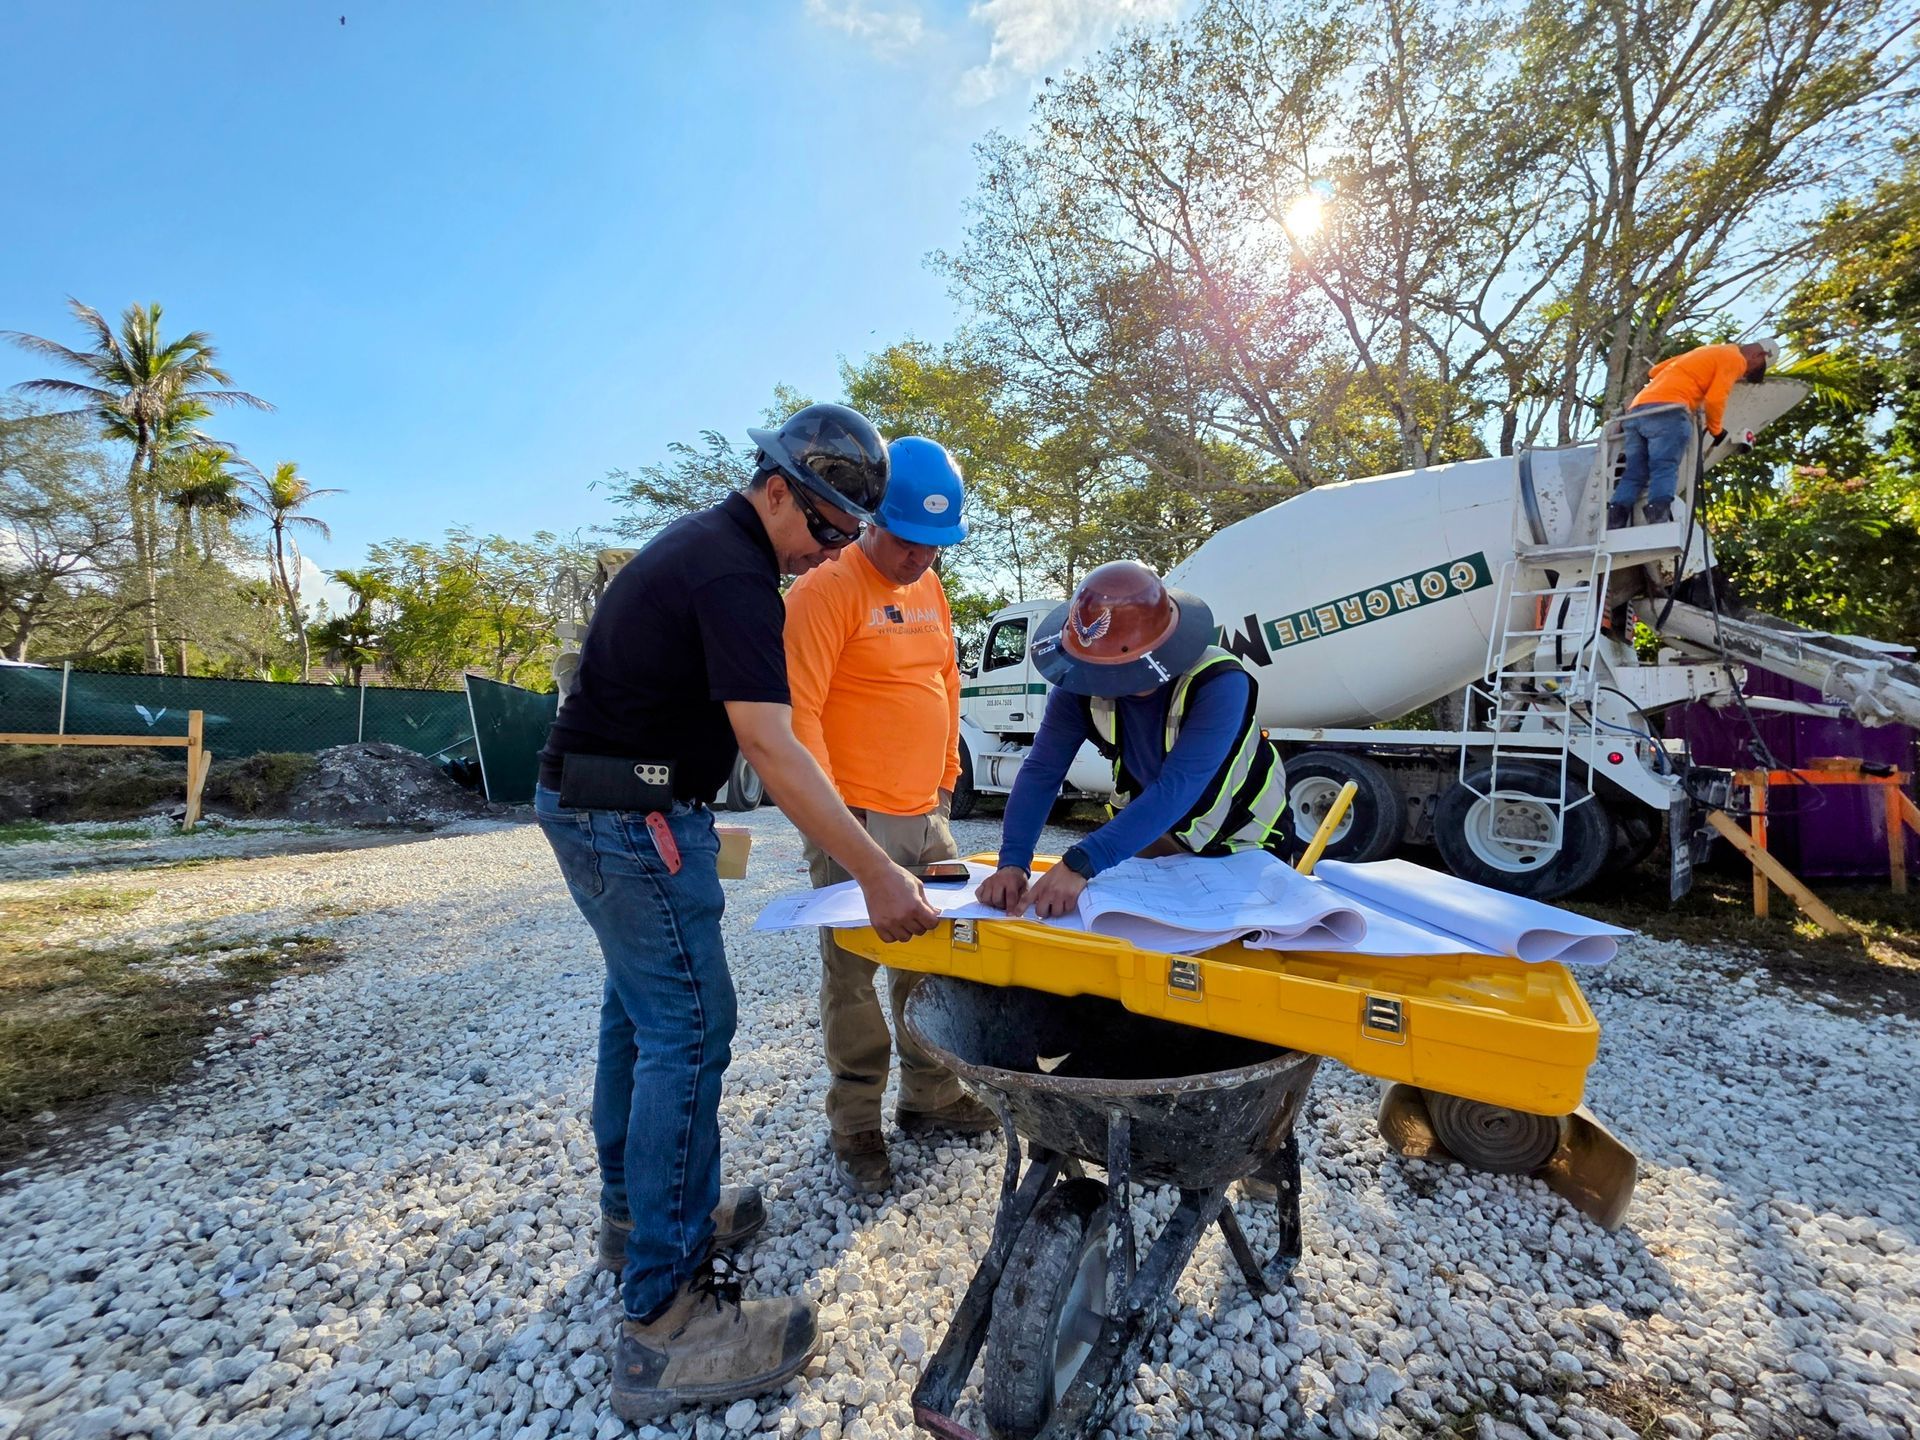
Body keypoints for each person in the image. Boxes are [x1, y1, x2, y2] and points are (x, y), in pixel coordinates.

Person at [535, 403, 940, 1421]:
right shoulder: (732, 576)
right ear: (777, 489)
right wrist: (875, 874)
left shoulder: (712, 551)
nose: (836, 551)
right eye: (833, 528)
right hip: (627, 814)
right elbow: (773, 745)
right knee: (691, 1026)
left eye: (852, 533)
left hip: (611, 799)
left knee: (637, 1015)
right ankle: (668, 1318)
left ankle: (640, 1223)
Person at [783, 436, 998, 1195]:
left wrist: (943, 781)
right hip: (853, 819)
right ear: (871, 519)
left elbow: (945, 681)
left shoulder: (929, 587)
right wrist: (838, 828)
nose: (919, 560)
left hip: (924, 813)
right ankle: (856, 1123)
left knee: (934, 963)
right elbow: (798, 720)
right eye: (908, 541)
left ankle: (932, 1097)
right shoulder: (822, 592)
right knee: (853, 976)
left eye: (937, 547)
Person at [976, 561, 1289, 919]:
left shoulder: (1219, 681)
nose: (1108, 682)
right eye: (1098, 668)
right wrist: (1013, 862)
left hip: (1246, 843)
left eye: (1122, 669)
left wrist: (1081, 862)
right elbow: (1041, 771)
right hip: (1161, 836)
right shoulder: (1080, 681)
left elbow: (1178, 786)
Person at [1608, 339, 1777, 529]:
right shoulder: (1735, 359)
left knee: (1634, 472)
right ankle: (1658, 519)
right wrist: (1716, 431)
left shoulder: (1707, 351)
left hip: (1637, 412)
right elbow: (1715, 398)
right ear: (1759, 355)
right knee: (1664, 465)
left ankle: (1615, 519)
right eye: (1748, 371)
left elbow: (1654, 371)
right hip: (1668, 411)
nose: (1742, 375)